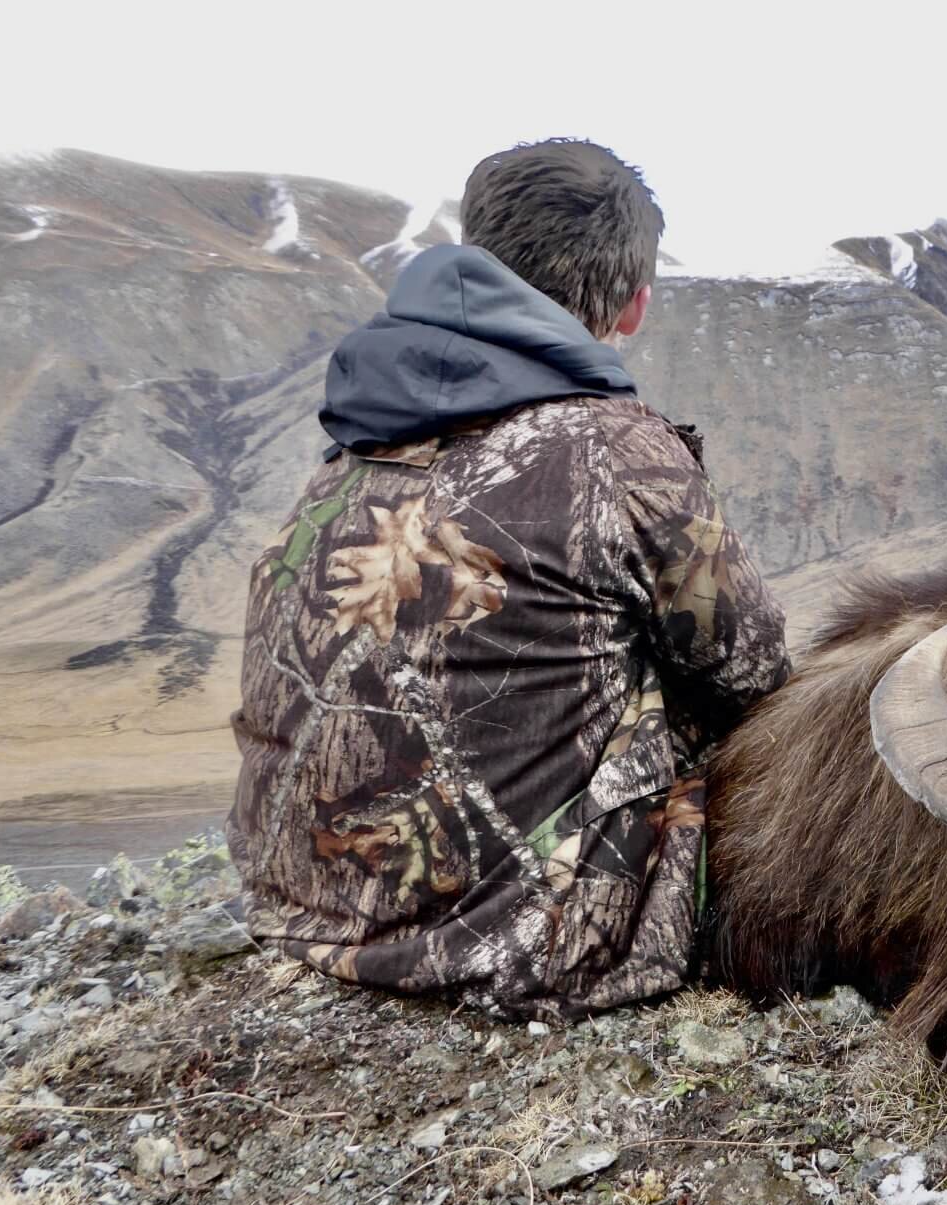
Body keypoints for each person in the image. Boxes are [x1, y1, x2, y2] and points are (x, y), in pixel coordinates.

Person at [227, 139, 789, 1019]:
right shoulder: (621, 449)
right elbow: (752, 671)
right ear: (635, 304)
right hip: (526, 951)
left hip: (297, 910)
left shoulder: (354, 441)